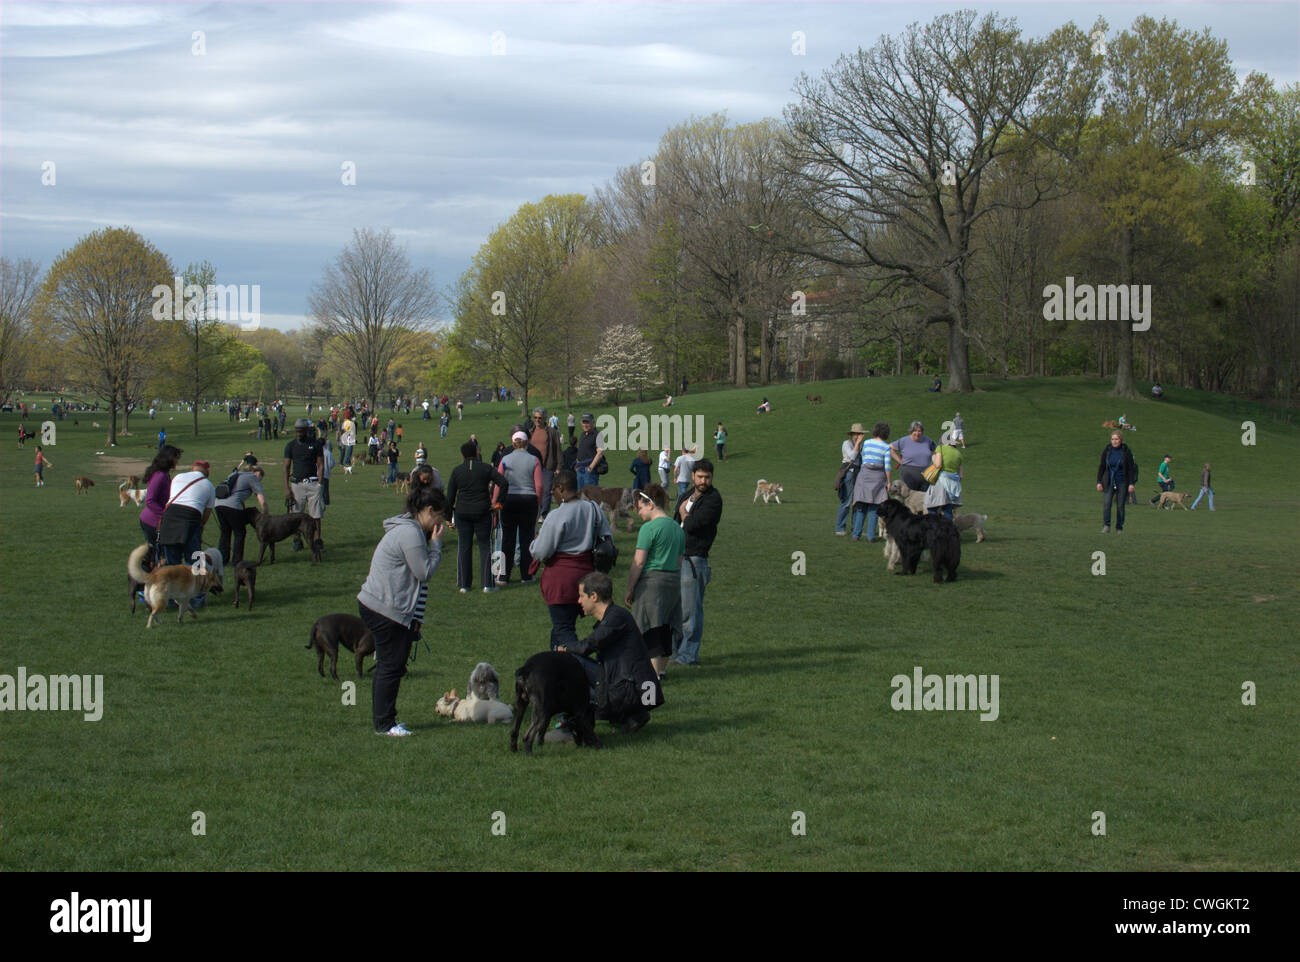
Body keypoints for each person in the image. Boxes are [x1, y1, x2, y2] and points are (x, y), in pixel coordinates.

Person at [357, 486, 447, 737]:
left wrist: (414, 619)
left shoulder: (408, 528)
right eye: (439, 516)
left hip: (382, 605)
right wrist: (437, 545)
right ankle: (385, 724)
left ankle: (385, 720)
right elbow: (424, 572)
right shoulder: (411, 534)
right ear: (429, 511)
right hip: (385, 608)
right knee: (391, 666)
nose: (439, 522)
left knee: (390, 665)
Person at [558, 572, 664, 734]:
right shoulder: (614, 616)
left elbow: (588, 645)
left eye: (581, 596)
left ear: (593, 596)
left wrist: (563, 649)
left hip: (634, 690)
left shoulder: (616, 617)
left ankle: (576, 721)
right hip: (631, 685)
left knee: (571, 662)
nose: (578, 601)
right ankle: (628, 716)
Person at [530, 470, 611, 650]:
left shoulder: (556, 515)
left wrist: (533, 544)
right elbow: (607, 538)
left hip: (561, 581)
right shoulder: (593, 509)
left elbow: (541, 552)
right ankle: (554, 666)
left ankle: (579, 664)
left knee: (563, 628)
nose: (554, 496)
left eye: (554, 491)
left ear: (560, 488)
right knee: (562, 626)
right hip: (587, 577)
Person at [624, 485, 684, 677]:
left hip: (652, 583)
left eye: (639, 507)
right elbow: (679, 561)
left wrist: (629, 588)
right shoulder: (677, 527)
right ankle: (662, 669)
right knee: (666, 625)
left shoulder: (648, 529)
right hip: (673, 581)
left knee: (650, 627)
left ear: (649, 504)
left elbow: (639, 562)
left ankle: (652, 675)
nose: (638, 512)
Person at [671, 460, 721, 667]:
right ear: (693, 476)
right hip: (677, 557)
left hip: (695, 558)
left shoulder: (713, 499)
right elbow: (676, 523)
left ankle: (688, 655)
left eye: (707, 477)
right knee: (675, 610)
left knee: (691, 611)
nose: (703, 481)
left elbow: (693, 524)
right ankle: (674, 653)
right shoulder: (686, 495)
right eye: (700, 477)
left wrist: (684, 514)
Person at [445, 440, 507, 593]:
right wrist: (498, 503)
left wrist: (448, 517)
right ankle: (487, 584)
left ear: (462, 455)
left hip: (462, 512)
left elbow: (450, 496)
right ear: (477, 453)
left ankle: (464, 585)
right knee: (485, 546)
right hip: (482, 511)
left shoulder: (457, 471)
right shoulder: (486, 468)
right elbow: (503, 483)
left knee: (464, 547)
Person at [495, 431, 543, 586]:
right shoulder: (534, 459)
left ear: (513, 443)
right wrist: (539, 502)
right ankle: (526, 575)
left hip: (509, 499)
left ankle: (503, 576)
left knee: (507, 539)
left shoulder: (505, 459)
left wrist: (495, 502)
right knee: (526, 538)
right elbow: (539, 485)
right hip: (529, 500)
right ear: (527, 443)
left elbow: (498, 482)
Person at [159, 460, 216, 571]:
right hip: (191, 519)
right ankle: (194, 586)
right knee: (195, 564)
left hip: (169, 519)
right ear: (207, 471)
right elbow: (206, 516)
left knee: (172, 565)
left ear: (192, 468)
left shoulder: (178, 477)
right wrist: (200, 529)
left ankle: (174, 587)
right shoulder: (209, 486)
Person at [215, 459, 269, 564]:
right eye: (261, 478)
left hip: (218, 504)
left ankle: (223, 560)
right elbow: (261, 499)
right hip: (232, 506)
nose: (260, 481)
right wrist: (266, 515)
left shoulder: (234, 474)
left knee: (225, 532)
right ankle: (237, 561)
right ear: (257, 473)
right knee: (240, 532)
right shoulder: (253, 477)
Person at [284, 418, 325, 549]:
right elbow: (286, 467)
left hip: (313, 483)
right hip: (297, 484)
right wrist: (286, 488)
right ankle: (297, 540)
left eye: (301, 431)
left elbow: (320, 464)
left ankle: (317, 540)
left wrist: (320, 484)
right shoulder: (290, 446)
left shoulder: (316, 444)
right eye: (297, 431)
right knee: (295, 515)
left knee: (316, 515)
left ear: (306, 430)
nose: (299, 433)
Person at [140, 445, 183, 566]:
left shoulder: (164, 475)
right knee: (156, 555)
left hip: (157, 521)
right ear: (169, 458)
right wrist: (164, 515)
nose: (177, 461)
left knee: (156, 555)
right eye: (176, 458)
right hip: (152, 521)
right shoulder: (160, 476)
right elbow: (150, 501)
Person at [850, 422, 893, 540]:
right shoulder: (886, 447)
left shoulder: (867, 443)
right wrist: (889, 482)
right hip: (878, 478)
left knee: (861, 507)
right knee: (874, 508)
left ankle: (856, 534)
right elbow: (887, 467)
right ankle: (870, 536)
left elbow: (863, 458)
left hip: (864, 476)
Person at [1096, 431, 1137, 533]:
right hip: (1109, 481)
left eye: (1117, 439)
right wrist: (1099, 482)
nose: (1114, 441)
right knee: (1107, 504)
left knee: (1120, 506)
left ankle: (1119, 527)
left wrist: (1131, 483)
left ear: (1121, 440)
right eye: (1113, 439)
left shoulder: (1126, 451)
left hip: (1122, 481)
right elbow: (1102, 466)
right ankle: (1106, 525)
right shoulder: (1108, 450)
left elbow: (1131, 469)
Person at [529, 407, 563, 517]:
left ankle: (544, 513)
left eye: (540, 418)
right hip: (533, 466)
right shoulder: (530, 432)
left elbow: (558, 449)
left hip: (547, 465)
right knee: (534, 490)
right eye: (535, 417)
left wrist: (558, 466)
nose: (537, 420)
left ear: (544, 418)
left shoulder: (552, 432)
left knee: (547, 490)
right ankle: (536, 513)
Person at [836, 423, 866, 535]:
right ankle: (840, 528)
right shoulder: (846, 444)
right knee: (846, 501)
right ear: (852, 434)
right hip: (849, 473)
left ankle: (856, 529)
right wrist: (857, 443)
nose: (858, 436)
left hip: (859, 473)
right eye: (856, 434)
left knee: (857, 502)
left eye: (860, 434)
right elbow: (852, 456)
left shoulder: (863, 445)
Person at [924, 436, 963, 520]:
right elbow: (961, 475)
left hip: (941, 482)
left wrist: (933, 458)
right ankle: (947, 530)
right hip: (954, 484)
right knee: (948, 510)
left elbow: (938, 464)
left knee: (932, 507)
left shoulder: (940, 448)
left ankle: (933, 529)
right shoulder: (958, 453)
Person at [891, 420, 936, 492]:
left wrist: (934, 464)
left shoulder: (928, 441)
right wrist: (899, 461)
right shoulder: (904, 440)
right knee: (908, 498)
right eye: (915, 431)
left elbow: (936, 451)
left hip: (925, 475)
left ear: (922, 432)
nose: (917, 433)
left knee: (924, 499)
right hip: (908, 475)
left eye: (919, 431)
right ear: (911, 431)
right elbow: (890, 448)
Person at [574, 413, 607, 490]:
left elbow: (600, 453)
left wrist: (591, 467)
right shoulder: (583, 434)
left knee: (591, 496)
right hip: (580, 469)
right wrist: (577, 464)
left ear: (593, 422)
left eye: (587, 422)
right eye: (583, 422)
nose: (585, 425)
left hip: (589, 471)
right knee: (580, 495)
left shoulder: (598, 435)